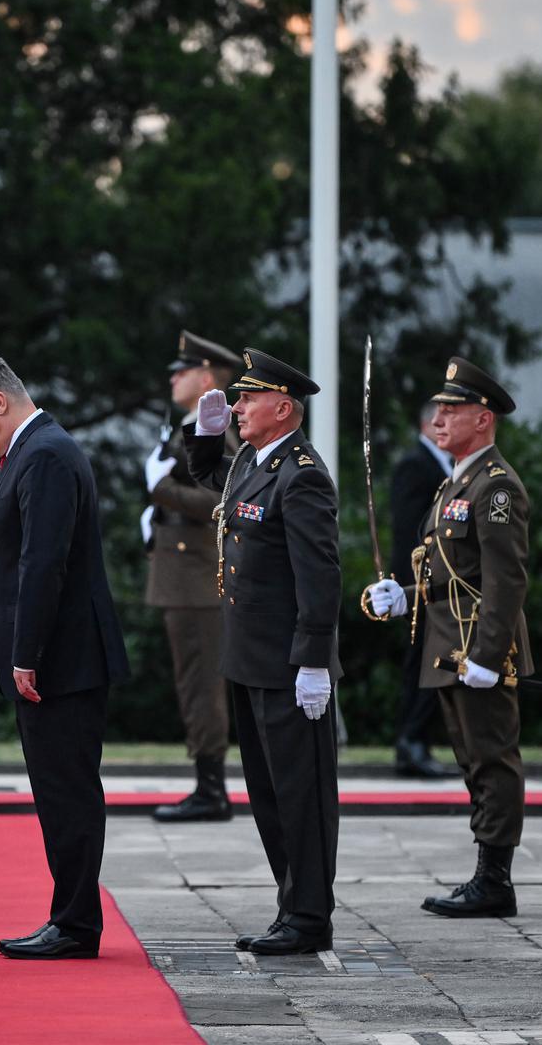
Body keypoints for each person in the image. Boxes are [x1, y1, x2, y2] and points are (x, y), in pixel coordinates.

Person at [0, 353, 128, 960]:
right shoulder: (31, 451)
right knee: (59, 791)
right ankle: (70, 916)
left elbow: (42, 562)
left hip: (61, 660)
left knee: (68, 791)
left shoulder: (45, 454)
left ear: (0, 400)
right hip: (57, 656)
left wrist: (27, 652)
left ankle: (76, 924)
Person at [184, 348, 341, 956]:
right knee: (270, 794)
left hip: (286, 664)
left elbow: (319, 576)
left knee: (301, 796)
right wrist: (206, 432)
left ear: (284, 407)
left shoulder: (301, 475)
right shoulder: (254, 459)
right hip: (248, 658)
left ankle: (308, 917)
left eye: (248, 399)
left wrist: (312, 661)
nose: (238, 407)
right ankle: (292, 906)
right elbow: (208, 479)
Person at [367, 357, 531, 918]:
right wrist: (405, 596)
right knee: (470, 759)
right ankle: (486, 874)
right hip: (448, 642)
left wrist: (489, 653)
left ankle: (495, 880)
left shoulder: (496, 487)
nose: (439, 418)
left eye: (452, 409)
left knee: (491, 760)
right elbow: (446, 574)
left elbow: (505, 579)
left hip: (477, 646)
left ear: (482, 419)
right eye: (438, 408)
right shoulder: (455, 482)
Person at [145, 330, 241, 822]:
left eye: (182, 371)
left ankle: (212, 789)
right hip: (182, 575)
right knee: (192, 683)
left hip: (198, 577)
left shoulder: (212, 429)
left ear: (206, 378)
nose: (173, 378)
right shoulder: (183, 425)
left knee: (202, 684)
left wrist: (163, 491)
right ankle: (206, 783)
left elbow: (224, 501)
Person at [388, 403, 457, 778]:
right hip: (422, 583)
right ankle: (411, 741)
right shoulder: (415, 464)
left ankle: (415, 742)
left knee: (430, 662)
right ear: (424, 423)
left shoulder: (443, 465)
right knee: (424, 663)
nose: (443, 426)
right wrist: (415, 583)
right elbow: (410, 532)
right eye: (438, 420)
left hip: (439, 583)